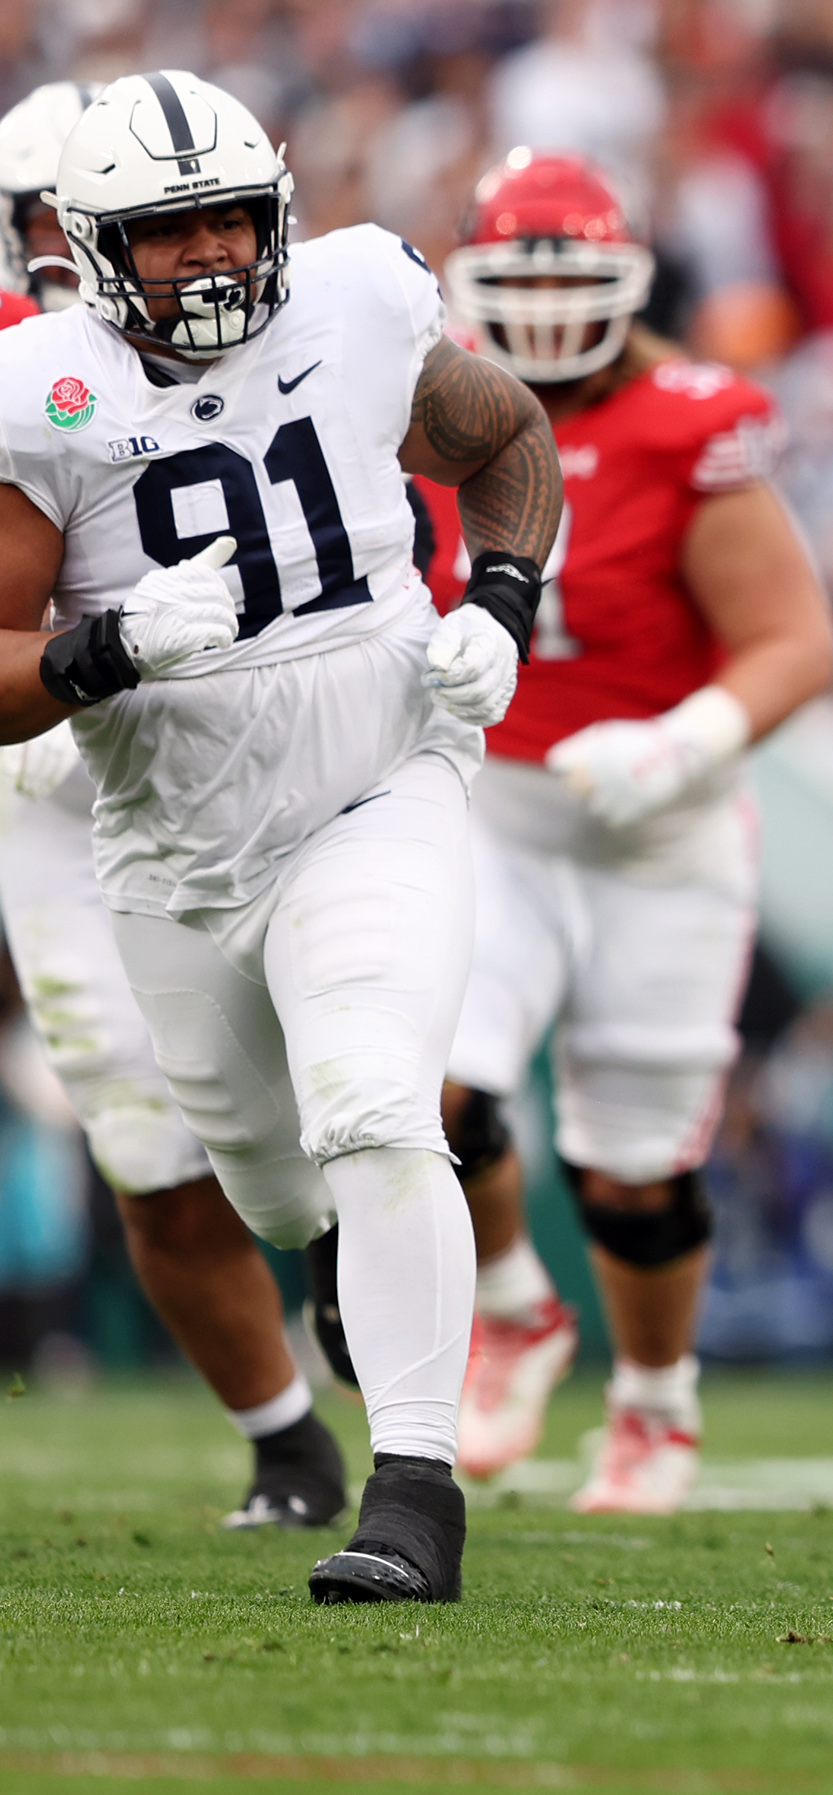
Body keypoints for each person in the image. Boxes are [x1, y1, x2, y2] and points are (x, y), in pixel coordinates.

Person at [0, 71, 564, 1603]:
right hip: (176, 849)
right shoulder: (44, 386)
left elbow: (510, 437)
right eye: (168, 233)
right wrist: (96, 652)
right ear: (97, 243)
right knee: (266, 1182)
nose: (208, 256)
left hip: (383, 775)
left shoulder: (362, 299)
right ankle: (336, 1256)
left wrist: (502, 607)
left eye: (231, 220)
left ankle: (415, 1493)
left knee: (378, 1099)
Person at [413, 149, 833, 1515]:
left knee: (634, 1165)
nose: (542, 320)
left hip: (663, 828)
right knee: (428, 1080)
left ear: (635, 280)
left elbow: (792, 640)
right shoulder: (421, 404)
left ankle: (655, 1400)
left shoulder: (691, 419)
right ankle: (518, 1307)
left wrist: (681, 740)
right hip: (493, 807)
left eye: (574, 285)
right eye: (514, 288)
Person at [0, 75, 345, 1532]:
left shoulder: (288, 321)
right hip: (56, 786)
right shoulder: (30, 376)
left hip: (255, 748)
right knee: (147, 1146)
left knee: (351, 1072)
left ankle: (394, 1291)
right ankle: (284, 1436)